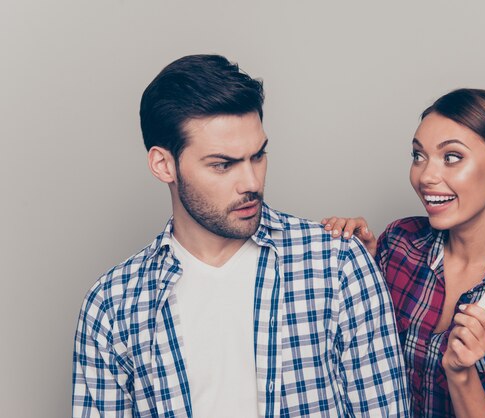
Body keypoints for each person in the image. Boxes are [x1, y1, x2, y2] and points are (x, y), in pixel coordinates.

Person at [72, 54, 410, 417]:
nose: (251, 183)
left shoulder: (336, 265)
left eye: (258, 156)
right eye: (223, 164)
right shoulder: (113, 305)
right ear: (163, 165)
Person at [322, 89, 485, 418]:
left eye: (452, 157)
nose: (426, 176)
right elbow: (356, 363)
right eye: (418, 156)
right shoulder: (398, 242)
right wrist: (361, 266)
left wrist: (461, 375)